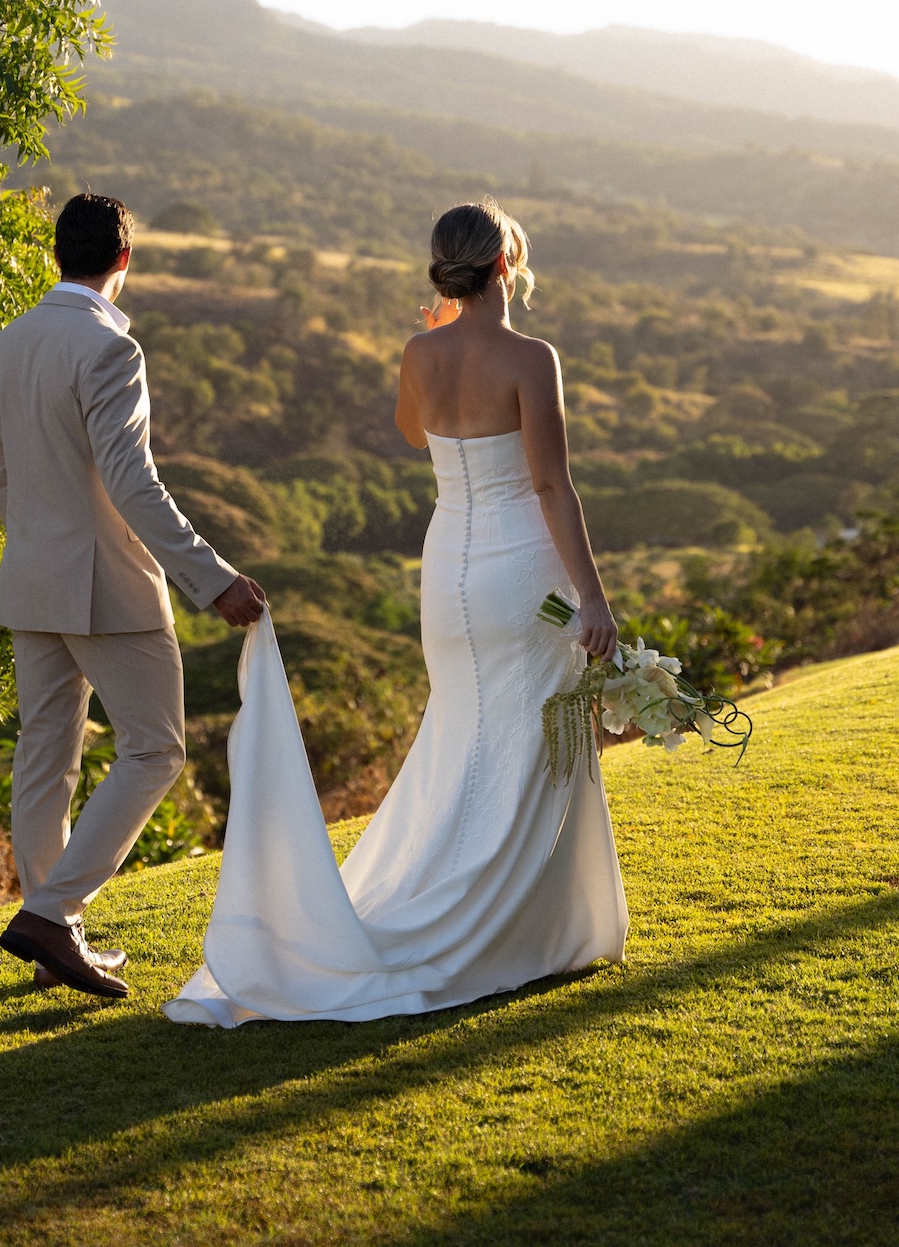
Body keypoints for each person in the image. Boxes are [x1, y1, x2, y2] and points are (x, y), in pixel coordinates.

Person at [166, 196, 626, 1026]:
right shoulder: (533, 357)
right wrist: (592, 596)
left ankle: (493, 910)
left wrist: (437, 336)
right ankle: (522, 925)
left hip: (448, 565)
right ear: (506, 267)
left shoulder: (419, 351)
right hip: (522, 569)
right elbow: (553, 485)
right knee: (531, 733)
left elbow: (414, 434)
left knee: (466, 732)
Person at [0, 192, 265, 1000]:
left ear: (57, 256)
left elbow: (3, 483)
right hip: (106, 583)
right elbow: (134, 485)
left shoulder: (1, 349)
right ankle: (52, 914)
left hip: (30, 576)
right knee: (155, 748)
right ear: (124, 261)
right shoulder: (109, 349)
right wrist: (211, 580)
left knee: (44, 758)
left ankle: (51, 937)